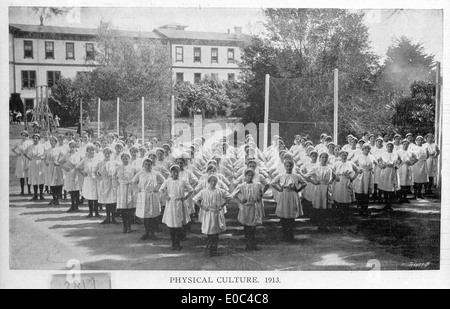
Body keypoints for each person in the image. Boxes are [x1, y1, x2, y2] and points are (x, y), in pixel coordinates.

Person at [194, 174, 232, 257]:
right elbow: (195, 199)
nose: (213, 183)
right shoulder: (204, 191)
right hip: (208, 213)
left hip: (217, 213)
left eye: (215, 181)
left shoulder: (219, 191)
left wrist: (222, 205)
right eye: (212, 181)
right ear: (208, 182)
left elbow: (230, 197)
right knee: (209, 231)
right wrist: (202, 206)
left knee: (216, 232)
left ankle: (214, 249)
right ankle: (210, 248)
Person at [270, 159, 307, 242]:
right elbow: (272, 183)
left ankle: (291, 234)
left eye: (290, 166)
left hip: (293, 195)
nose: (289, 167)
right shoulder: (281, 175)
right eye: (287, 166)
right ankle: (284, 234)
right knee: (284, 214)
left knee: (291, 214)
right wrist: (279, 189)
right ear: (284, 167)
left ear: (292, 166)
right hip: (284, 195)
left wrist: (298, 190)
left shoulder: (296, 176)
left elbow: (304, 183)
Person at [160, 165, 194, 251]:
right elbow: (161, 189)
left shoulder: (182, 181)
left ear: (179, 172)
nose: (175, 173)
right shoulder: (168, 181)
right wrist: (166, 196)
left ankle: (178, 243)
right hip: (171, 204)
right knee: (171, 224)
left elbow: (191, 190)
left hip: (179, 203)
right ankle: (173, 243)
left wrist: (185, 198)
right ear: (171, 172)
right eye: (173, 171)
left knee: (178, 224)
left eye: (177, 171)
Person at [232, 169, 264, 251]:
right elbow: (232, 195)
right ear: (245, 176)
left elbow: (260, 193)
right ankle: (247, 244)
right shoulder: (241, 186)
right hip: (245, 208)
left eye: (251, 175)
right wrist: (240, 200)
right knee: (246, 227)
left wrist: (259, 198)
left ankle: (253, 244)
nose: (250, 177)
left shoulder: (257, 185)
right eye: (248, 175)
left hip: (253, 207)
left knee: (253, 226)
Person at [132, 159, 165, 240]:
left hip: (153, 195)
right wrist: (138, 190)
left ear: (152, 165)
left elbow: (164, 181)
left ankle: (152, 233)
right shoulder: (140, 173)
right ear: (143, 165)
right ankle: (147, 233)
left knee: (153, 214)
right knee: (145, 215)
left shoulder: (156, 173)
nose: (147, 166)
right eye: (146, 164)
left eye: (149, 164)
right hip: (143, 195)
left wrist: (158, 188)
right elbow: (133, 182)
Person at [306, 152, 335, 231]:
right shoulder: (316, 167)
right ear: (320, 158)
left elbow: (334, 176)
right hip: (318, 188)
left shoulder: (329, 167)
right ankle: (319, 224)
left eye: (326, 157)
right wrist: (314, 182)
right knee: (319, 206)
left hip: (326, 188)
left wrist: (330, 182)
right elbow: (306, 176)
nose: (324, 159)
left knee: (325, 206)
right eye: (323, 157)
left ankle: (324, 225)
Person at [116, 153, 139, 233]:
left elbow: (137, 177)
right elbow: (114, 177)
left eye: (127, 158)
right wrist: (117, 185)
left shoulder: (133, 168)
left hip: (131, 188)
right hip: (122, 189)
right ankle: (124, 226)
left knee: (130, 208)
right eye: (123, 158)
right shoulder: (118, 167)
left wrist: (134, 184)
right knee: (123, 208)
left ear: (129, 159)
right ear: (121, 159)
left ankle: (129, 226)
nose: (125, 160)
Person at [332, 150, 359, 221]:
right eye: (342, 155)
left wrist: (353, 178)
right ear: (340, 156)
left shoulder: (350, 163)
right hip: (339, 183)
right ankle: (339, 217)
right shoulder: (336, 163)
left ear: (347, 156)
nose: (344, 157)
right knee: (339, 199)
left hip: (347, 182)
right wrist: (335, 177)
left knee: (346, 200)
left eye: (345, 155)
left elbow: (357, 170)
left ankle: (346, 217)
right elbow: (330, 170)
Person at [96, 147, 120, 224]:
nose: (107, 154)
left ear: (111, 154)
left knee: (113, 200)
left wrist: (117, 177)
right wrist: (99, 178)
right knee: (107, 200)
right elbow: (95, 171)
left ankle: (113, 218)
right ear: (103, 154)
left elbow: (120, 170)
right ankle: (107, 218)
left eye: (109, 153)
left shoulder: (115, 162)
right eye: (106, 153)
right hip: (105, 182)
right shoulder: (100, 163)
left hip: (113, 182)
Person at [76, 145, 101, 218]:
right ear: (87, 151)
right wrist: (82, 173)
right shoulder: (85, 159)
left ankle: (96, 213)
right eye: (90, 150)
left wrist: (99, 174)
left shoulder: (97, 159)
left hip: (96, 179)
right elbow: (77, 167)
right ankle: (90, 213)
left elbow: (100, 168)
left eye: (93, 150)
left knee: (96, 196)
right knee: (90, 197)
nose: (92, 152)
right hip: (88, 179)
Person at [353, 144, 377, 216]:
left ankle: (365, 207)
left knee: (366, 192)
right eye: (365, 148)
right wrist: (357, 169)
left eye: (368, 148)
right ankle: (359, 207)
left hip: (368, 175)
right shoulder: (359, 156)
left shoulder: (371, 156)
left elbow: (376, 163)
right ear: (362, 149)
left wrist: (372, 168)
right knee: (360, 190)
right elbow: (352, 163)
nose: (367, 149)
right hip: (361, 175)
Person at [59, 141, 83, 213]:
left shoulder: (79, 155)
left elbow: (84, 162)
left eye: (74, 147)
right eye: (71, 147)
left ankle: (77, 206)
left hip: (77, 173)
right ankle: (72, 205)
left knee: (77, 189)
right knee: (72, 190)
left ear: (76, 147)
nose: (72, 148)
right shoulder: (66, 155)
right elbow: (59, 162)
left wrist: (80, 168)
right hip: (70, 173)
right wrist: (64, 168)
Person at [378, 142, 402, 211]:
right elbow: (378, 160)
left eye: (391, 146)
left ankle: (389, 204)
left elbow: (401, 160)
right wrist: (381, 166)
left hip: (392, 171)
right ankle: (386, 203)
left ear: (393, 147)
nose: (390, 147)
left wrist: (397, 166)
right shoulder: (383, 154)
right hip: (385, 171)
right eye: (388, 146)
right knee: (385, 187)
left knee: (391, 188)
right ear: (386, 147)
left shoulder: (395, 154)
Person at [23, 134, 46, 201]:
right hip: (33, 162)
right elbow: (24, 152)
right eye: (34, 138)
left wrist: (42, 158)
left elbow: (46, 153)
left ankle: (41, 195)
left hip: (40, 162)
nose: (35, 140)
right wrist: (29, 158)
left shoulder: (42, 146)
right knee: (34, 178)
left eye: (36, 138)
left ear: (39, 139)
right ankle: (35, 195)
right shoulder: (30, 146)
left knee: (40, 178)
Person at [44, 136, 64, 205]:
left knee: (57, 183)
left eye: (53, 141)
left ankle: (57, 199)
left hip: (57, 168)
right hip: (50, 167)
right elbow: (45, 158)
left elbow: (63, 159)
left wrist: (58, 163)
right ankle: (54, 198)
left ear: (56, 142)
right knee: (52, 183)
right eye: (51, 141)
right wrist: (46, 162)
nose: (52, 142)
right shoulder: (48, 150)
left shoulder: (59, 150)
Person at [12, 131, 32, 196]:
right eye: (22, 135)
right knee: (22, 175)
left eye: (25, 135)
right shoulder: (18, 143)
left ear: (27, 136)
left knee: (28, 175)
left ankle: (29, 190)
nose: (23, 137)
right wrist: (17, 153)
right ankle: (22, 191)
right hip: (21, 160)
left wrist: (29, 156)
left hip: (27, 159)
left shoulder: (30, 143)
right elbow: (12, 149)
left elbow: (32, 150)